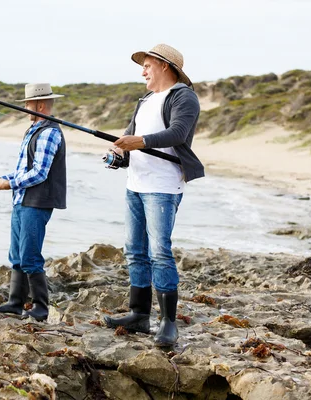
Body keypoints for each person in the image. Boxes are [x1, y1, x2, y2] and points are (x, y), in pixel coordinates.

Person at [103, 44, 205, 347]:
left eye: (147, 65)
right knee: (135, 250)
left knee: (160, 252)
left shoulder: (184, 96)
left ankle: (168, 322)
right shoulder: (146, 99)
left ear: (164, 66)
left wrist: (140, 141)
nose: (142, 71)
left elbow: (177, 133)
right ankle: (138, 314)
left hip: (162, 186)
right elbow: (130, 137)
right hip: (135, 183)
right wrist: (119, 151)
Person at [0, 83, 66, 322]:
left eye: (27, 104)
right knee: (16, 254)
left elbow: (40, 173)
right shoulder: (33, 129)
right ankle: (15, 303)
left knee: (29, 255)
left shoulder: (49, 132)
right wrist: (0, 180)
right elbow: (23, 170)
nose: (26, 107)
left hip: (36, 202)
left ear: (39, 105)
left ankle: (41, 307)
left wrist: (10, 184)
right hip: (22, 199)